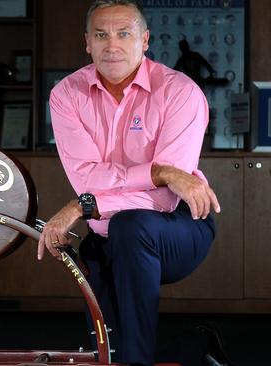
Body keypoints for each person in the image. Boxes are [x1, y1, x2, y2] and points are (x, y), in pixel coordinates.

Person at [36, 1, 220, 365]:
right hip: (107, 232)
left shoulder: (180, 92)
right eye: (101, 35)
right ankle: (194, 347)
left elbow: (167, 199)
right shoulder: (66, 95)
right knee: (109, 349)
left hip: (179, 226)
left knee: (131, 225)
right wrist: (159, 172)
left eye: (124, 34)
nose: (112, 45)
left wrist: (82, 206)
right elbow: (86, 177)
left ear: (145, 39)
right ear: (87, 42)